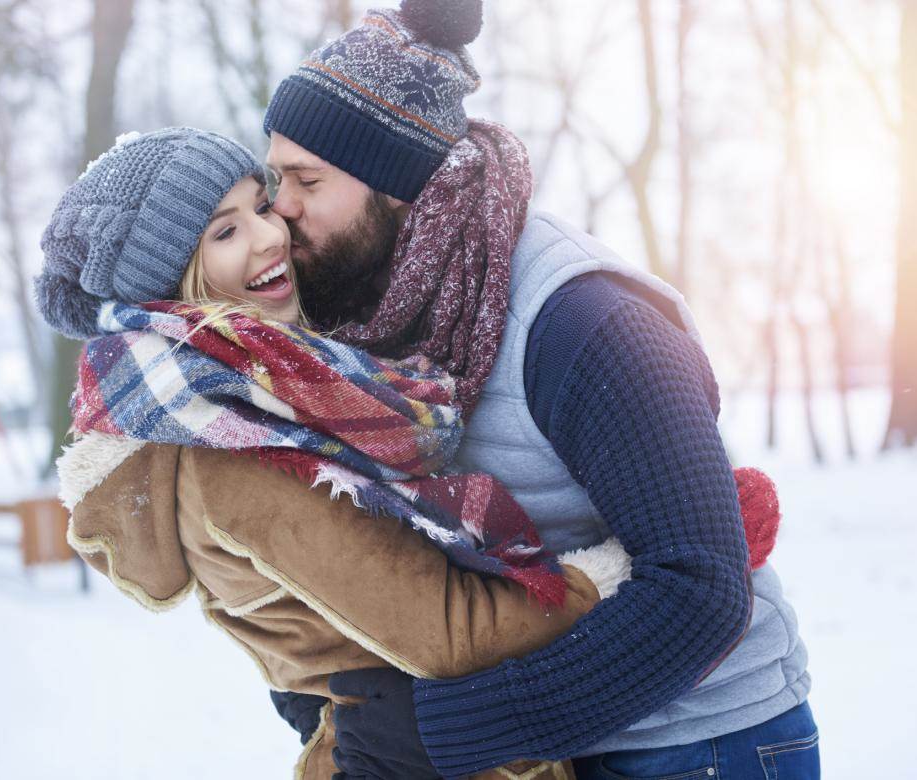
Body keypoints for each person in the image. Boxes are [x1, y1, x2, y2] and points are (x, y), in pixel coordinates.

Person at [34, 127, 775, 779]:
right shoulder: (229, 443)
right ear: (171, 291)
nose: (275, 228)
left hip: (682, 738)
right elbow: (447, 631)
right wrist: (619, 569)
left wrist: (329, 695)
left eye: (270, 200)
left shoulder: (269, 390)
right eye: (226, 231)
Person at [260, 1, 818, 778]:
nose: (277, 207)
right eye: (272, 175)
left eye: (305, 179)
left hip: (698, 744)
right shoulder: (362, 313)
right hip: (543, 751)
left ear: (398, 186)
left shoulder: (582, 323)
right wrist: (329, 695)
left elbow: (701, 588)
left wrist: (447, 729)